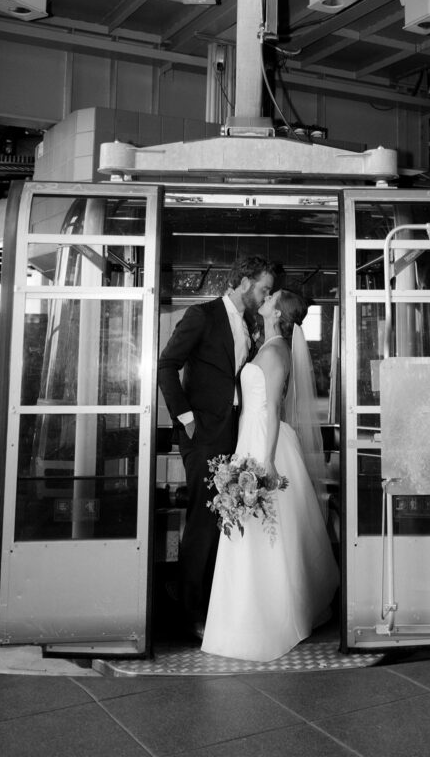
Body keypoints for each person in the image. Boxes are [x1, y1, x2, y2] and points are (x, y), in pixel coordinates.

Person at [202, 289, 339, 662]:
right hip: (250, 437)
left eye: (270, 296)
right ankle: (243, 610)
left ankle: (271, 615)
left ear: (276, 311)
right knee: (253, 528)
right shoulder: (268, 345)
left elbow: (274, 407)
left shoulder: (277, 351)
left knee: (265, 528)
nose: (264, 296)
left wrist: (266, 461)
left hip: (264, 442)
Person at [157, 255, 276, 638]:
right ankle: (189, 615)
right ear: (243, 281)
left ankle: (215, 605)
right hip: (203, 435)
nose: (265, 295)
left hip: (234, 437)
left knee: (224, 523)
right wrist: (187, 420)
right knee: (202, 524)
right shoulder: (201, 316)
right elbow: (165, 366)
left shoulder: (250, 323)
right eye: (263, 288)